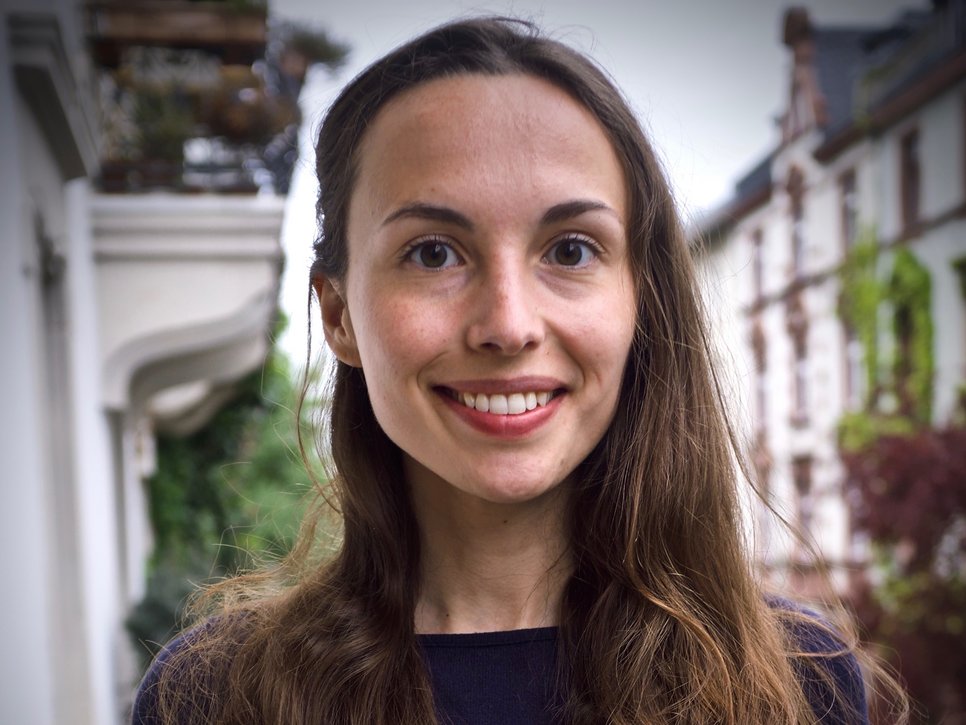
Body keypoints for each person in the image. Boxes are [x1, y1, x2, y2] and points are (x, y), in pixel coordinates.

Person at [132, 16, 906, 725]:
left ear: (641, 300)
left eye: (570, 249)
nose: (508, 324)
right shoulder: (213, 697)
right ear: (338, 315)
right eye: (433, 252)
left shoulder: (797, 683)